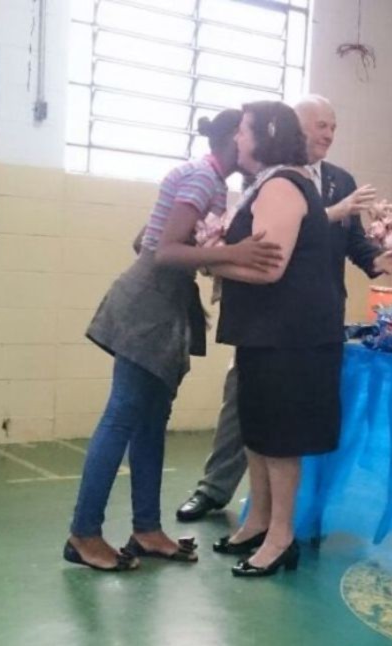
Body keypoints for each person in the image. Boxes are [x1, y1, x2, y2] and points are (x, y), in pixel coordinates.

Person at [63, 111, 283, 572]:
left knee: (150, 420)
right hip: (148, 310)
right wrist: (232, 253)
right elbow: (163, 250)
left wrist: (201, 259)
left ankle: (146, 529)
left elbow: (144, 239)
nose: (256, 144)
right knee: (122, 416)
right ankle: (84, 533)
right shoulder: (203, 179)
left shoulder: (207, 180)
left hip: (161, 310)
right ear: (233, 139)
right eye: (248, 133)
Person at [175, 94, 392, 524]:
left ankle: (279, 522)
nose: (328, 134)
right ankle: (216, 489)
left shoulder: (339, 180)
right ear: (294, 128)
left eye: (333, 127)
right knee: (243, 409)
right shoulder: (264, 178)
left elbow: (349, 243)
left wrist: (379, 260)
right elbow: (284, 235)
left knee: (285, 429)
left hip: (307, 319)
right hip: (261, 319)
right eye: (321, 126)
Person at [211, 100, 349, 577]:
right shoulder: (266, 183)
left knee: (280, 438)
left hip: (292, 338)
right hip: (266, 333)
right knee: (257, 431)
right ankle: (259, 520)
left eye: (244, 130)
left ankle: (280, 536)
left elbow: (268, 268)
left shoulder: (282, 186)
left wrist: (208, 260)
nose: (237, 138)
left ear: (265, 136)